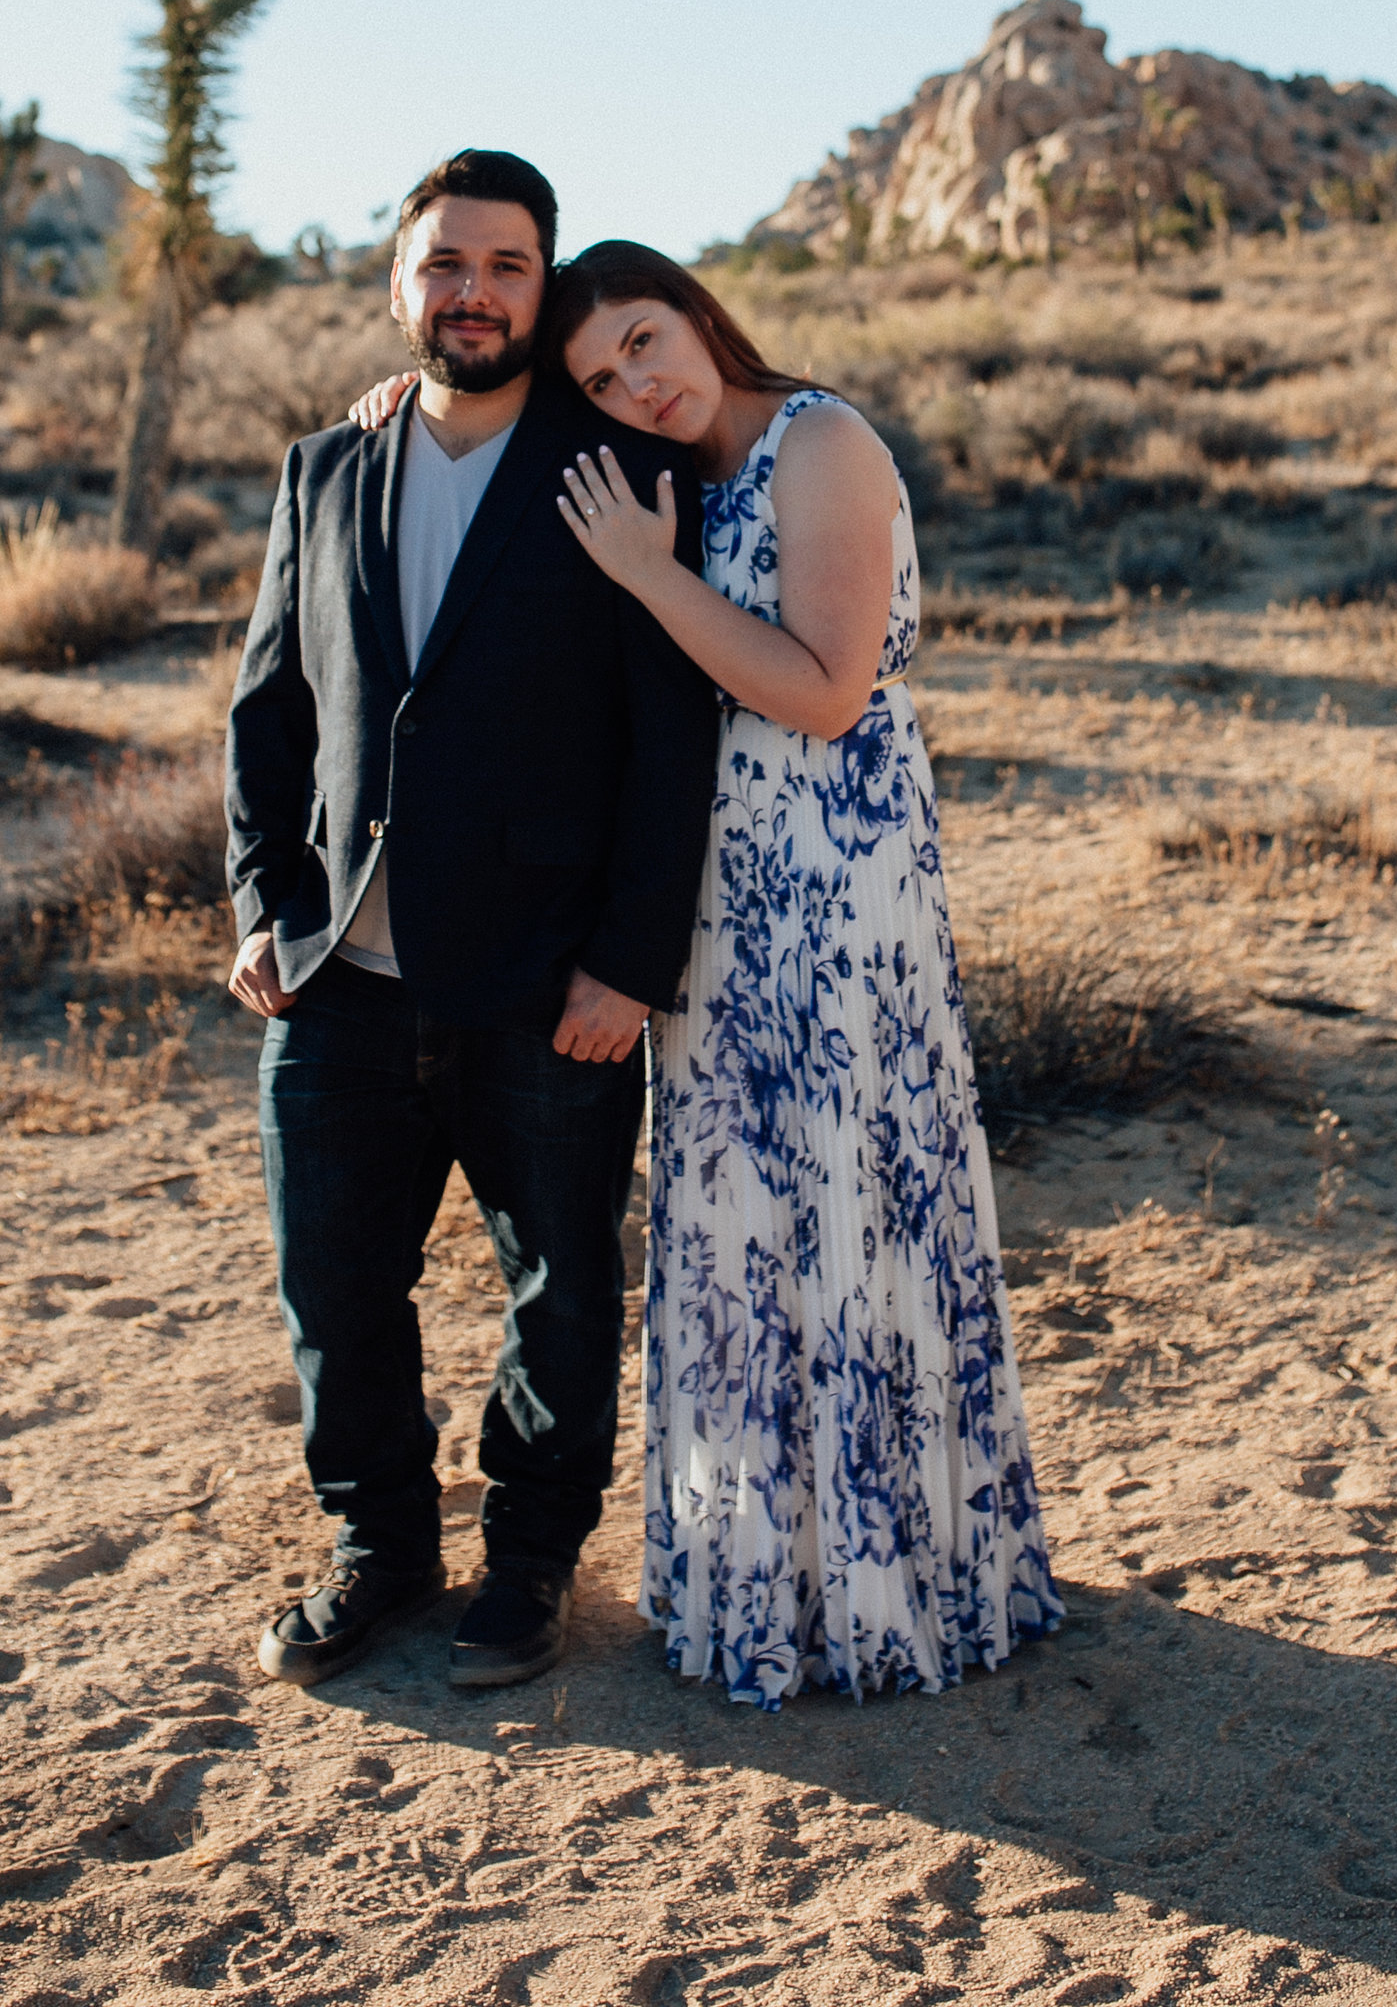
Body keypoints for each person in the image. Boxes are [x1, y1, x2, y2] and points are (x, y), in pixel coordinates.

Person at [351, 241, 1061, 1708]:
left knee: (851, 1198)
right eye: (605, 373)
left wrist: (646, 576)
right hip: (721, 898)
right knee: (742, 1213)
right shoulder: (667, 462)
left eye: (650, 343)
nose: (638, 384)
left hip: (838, 883)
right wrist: (394, 404)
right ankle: (770, 1573)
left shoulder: (821, 444)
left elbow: (822, 688)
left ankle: (893, 1572)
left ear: (701, 313)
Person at [224, 159, 717, 1694]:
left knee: (561, 1279)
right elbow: (266, 709)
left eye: (509, 264)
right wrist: (262, 902)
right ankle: (380, 1548)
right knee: (334, 1282)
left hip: (542, 979)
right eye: (447, 262)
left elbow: (671, 736)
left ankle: (527, 1564)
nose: (476, 290)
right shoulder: (325, 468)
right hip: (340, 977)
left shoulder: (618, 469)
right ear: (400, 285)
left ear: (542, 284)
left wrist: (630, 964)